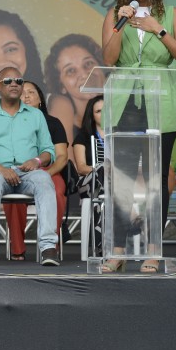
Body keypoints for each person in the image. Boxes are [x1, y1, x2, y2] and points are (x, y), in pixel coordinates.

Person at [101, 0, 176, 273]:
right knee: (122, 181)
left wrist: (159, 29)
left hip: (159, 102)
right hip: (125, 103)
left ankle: (154, 251)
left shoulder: (172, 14)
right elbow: (110, 59)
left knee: (156, 179)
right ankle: (117, 251)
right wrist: (120, 23)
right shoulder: (115, 14)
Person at [0, 67, 59, 266]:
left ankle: (48, 247)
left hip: (28, 173)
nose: (14, 84)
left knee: (44, 179)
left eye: (18, 81)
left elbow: (48, 152)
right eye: (8, 81)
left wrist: (36, 161)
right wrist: (2, 169)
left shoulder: (36, 115)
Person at [2, 81, 69, 260]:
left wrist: (45, 175)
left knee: (54, 192)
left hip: (49, 170)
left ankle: (50, 248)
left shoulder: (53, 123)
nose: (26, 95)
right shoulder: (9, 122)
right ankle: (17, 248)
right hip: (19, 169)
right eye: (23, 93)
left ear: (40, 99)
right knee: (13, 192)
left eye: (32, 92)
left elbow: (62, 156)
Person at [44, 34, 105, 159]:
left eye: (88, 64)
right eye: (71, 71)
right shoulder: (62, 118)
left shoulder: (125, 111)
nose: (84, 74)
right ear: (61, 86)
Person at [73, 95, 105, 254]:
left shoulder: (120, 135)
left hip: (115, 185)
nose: (103, 114)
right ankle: (102, 245)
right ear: (92, 115)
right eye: (99, 111)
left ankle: (104, 245)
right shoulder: (84, 136)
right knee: (103, 173)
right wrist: (102, 170)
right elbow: (81, 168)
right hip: (89, 183)